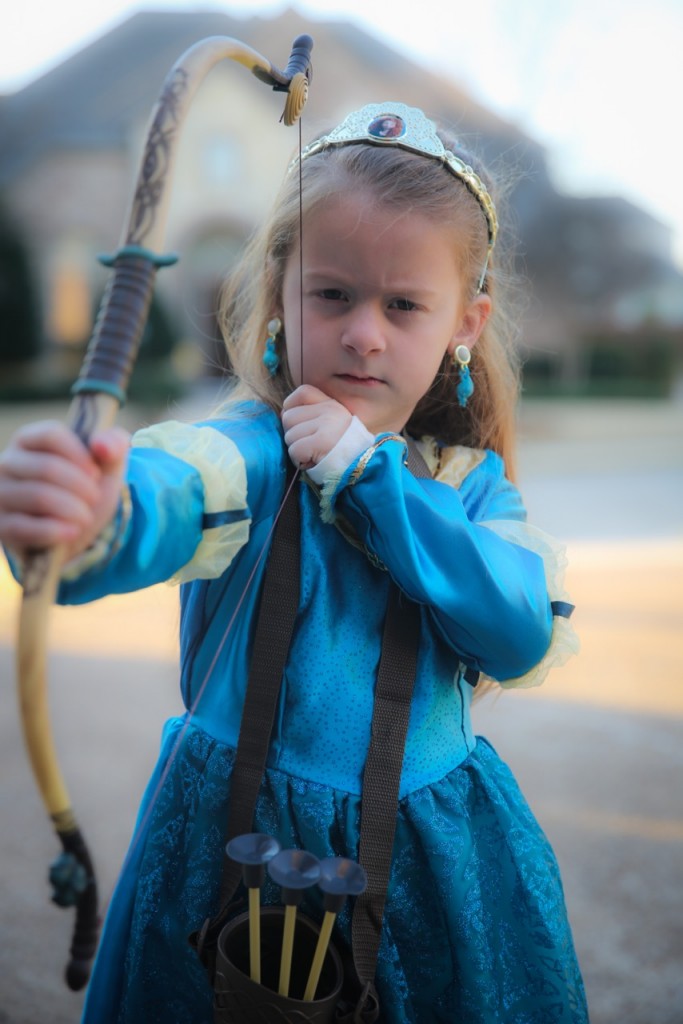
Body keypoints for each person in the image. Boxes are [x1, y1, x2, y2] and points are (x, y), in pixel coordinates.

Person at [0, 102, 587, 1022]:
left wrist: (370, 477)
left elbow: (515, 632)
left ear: (463, 325)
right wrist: (95, 508)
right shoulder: (248, 450)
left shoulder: (469, 493)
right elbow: (165, 496)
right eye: (332, 294)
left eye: (402, 306)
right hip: (229, 844)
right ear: (281, 296)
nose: (363, 333)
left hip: (424, 853)